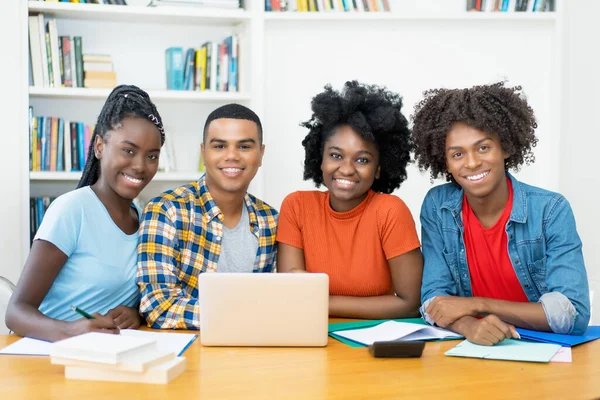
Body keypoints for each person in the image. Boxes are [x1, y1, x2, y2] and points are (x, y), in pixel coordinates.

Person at [412, 82, 590, 345]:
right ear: (445, 162)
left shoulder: (550, 210)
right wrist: (469, 326)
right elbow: (434, 299)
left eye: (483, 148)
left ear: (505, 147)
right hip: (473, 348)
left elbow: (572, 314)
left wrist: (478, 306)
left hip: (541, 351)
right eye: (457, 154)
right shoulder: (438, 207)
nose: (471, 163)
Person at [6, 85, 165, 342]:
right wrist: (71, 331)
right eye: (128, 150)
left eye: (152, 156)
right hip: (49, 359)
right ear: (100, 146)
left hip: (107, 358)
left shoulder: (145, 219)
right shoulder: (72, 210)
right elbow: (16, 313)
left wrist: (136, 314)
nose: (140, 166)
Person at [276, 81, 423, 319]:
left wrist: (321, 303)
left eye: (362, 160)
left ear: (378, 169)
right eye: (336, 155)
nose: (346, 169)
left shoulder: (389, 211)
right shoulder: (296, 206)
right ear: (320, 159)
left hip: (374, 340)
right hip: (311, 334)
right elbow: (292, 291)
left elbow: (410, 303)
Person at [137, 103, 277, 329]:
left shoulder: (271, 220)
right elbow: (159, 306)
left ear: (261, 154)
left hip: (255, 349)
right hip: (189, 352)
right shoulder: (166, 211)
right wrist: (242, 315)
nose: (232, 156)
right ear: (204, 153)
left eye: (244, 146)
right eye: (220, 146)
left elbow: (281, 300)